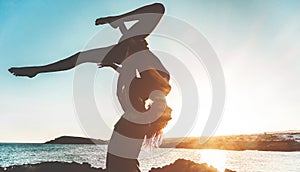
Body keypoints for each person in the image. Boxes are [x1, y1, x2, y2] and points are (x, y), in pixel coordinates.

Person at [9, 3, 172, 172]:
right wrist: (119, 56)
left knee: (81, 56)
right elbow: (136, 68)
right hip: (130, 48)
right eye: (163, 107)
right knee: (158, 9)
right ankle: (38, 70)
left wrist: (124, 36)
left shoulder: (147, 96)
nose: (162, 105)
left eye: (159, 109)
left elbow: (131, 73)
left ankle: (38, 70)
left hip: (128, 49)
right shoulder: (158, 88)